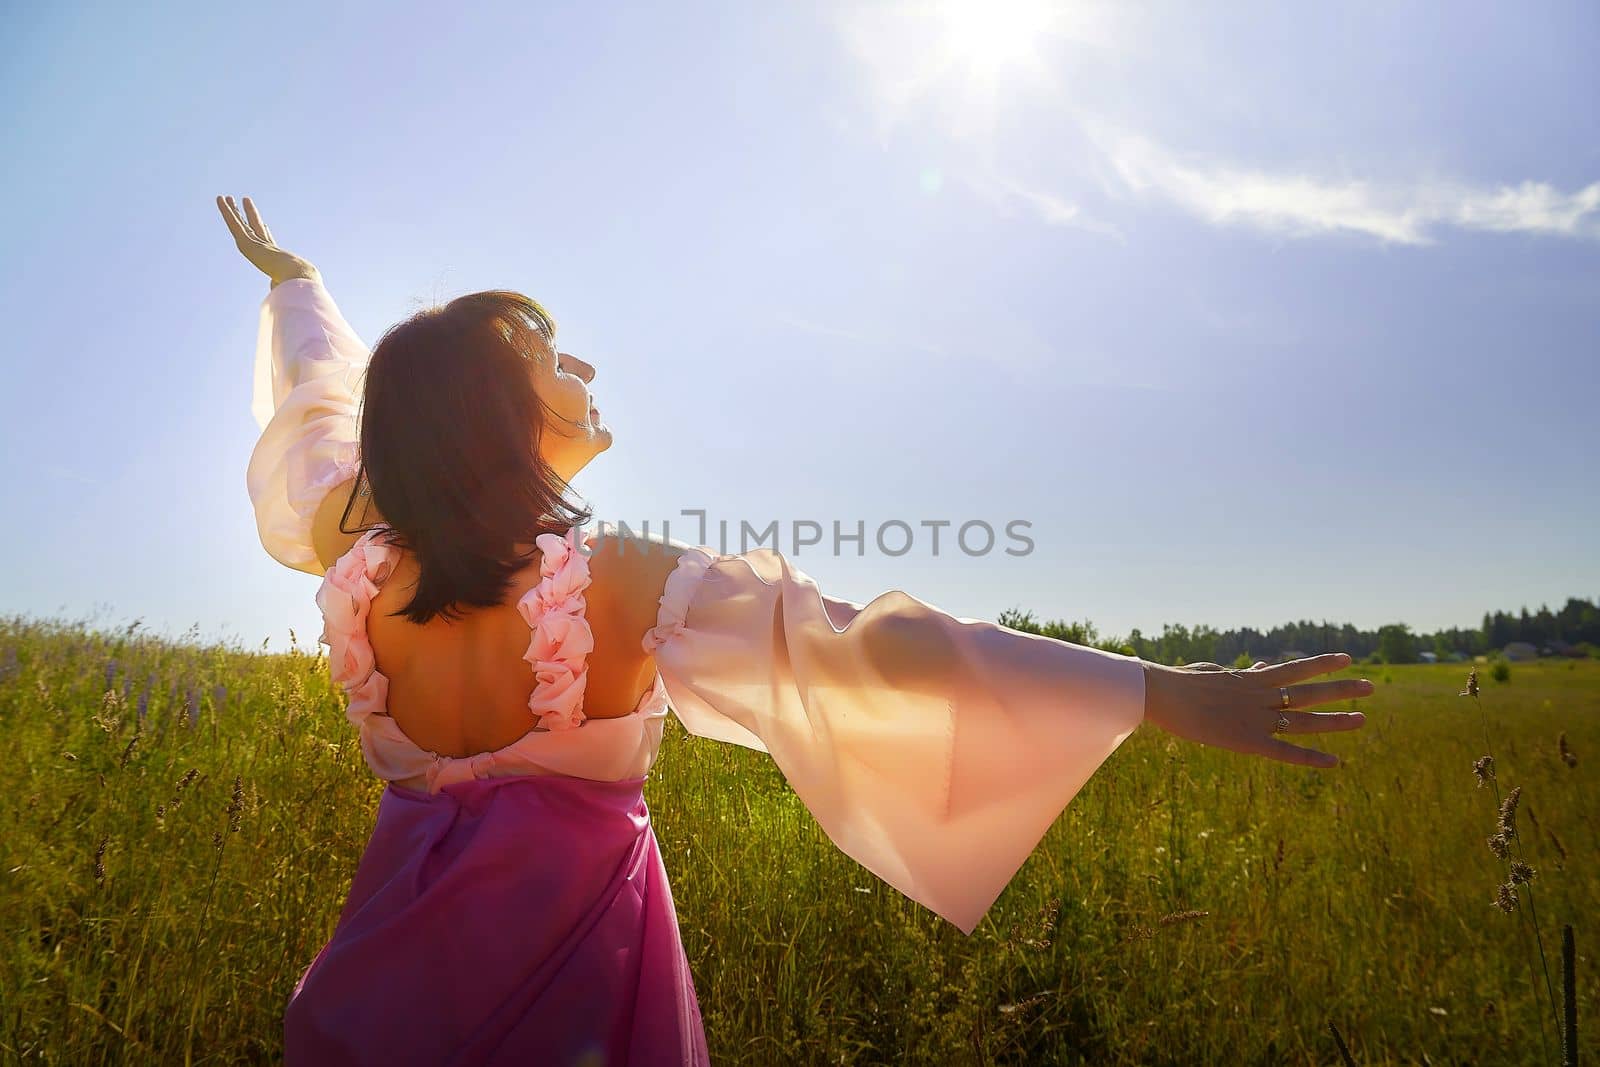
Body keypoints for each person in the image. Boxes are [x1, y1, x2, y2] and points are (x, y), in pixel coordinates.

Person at [219, 194, 1370, 1065]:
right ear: (495, 413)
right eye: (545, 359)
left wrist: (299, 285)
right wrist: (1158, 687)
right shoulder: (614, 582)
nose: (580, 367)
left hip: (389, 983)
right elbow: (881, 648)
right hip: (571, 987)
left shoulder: (360, 565)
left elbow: (331, 404)